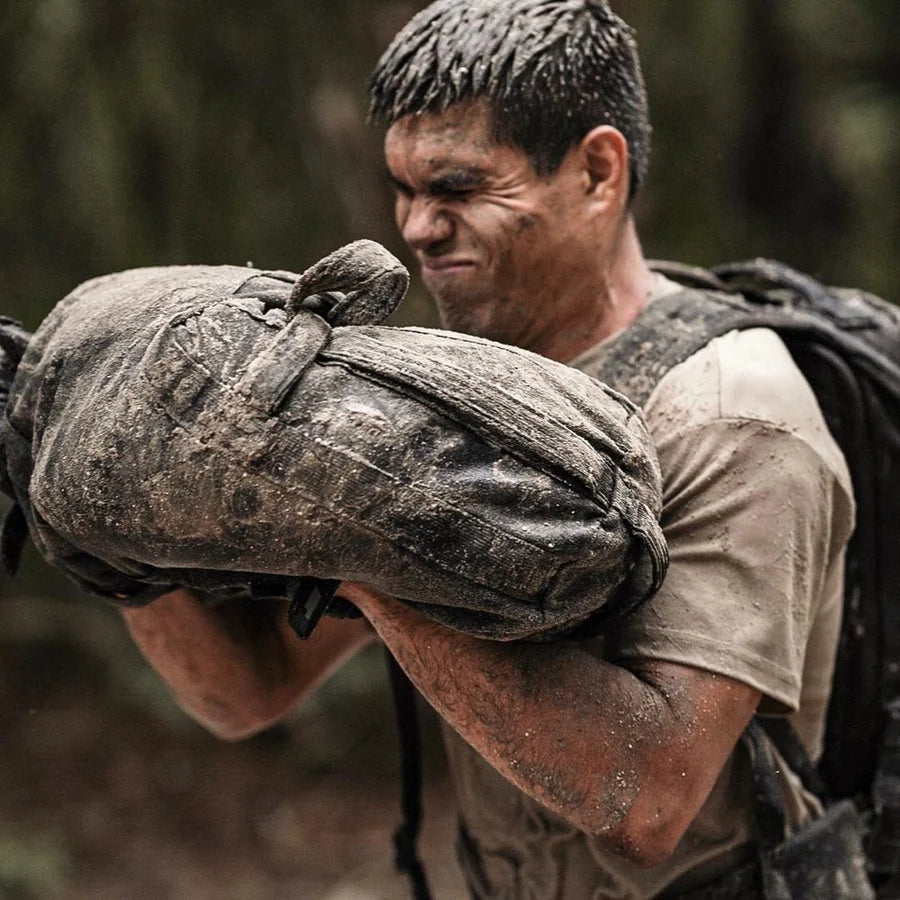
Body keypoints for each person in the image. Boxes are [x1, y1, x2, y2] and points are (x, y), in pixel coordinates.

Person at [121, 1, 866, 896]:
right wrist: (95, 530)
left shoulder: (733, 414)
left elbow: (649, 804)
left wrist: (369, 555)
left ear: (597, 171)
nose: (417, 227)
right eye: (404, 189)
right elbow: (252, 688)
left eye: (459, 188)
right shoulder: (460, 399)